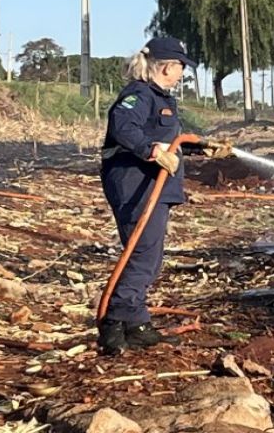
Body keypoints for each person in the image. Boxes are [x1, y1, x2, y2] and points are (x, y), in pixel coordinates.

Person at [97, 37, 232, 355]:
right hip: (136, 184)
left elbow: (171, 139)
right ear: (168, 66)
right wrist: (152, 152)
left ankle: (136, 322)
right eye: (181, 66)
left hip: (152, 186)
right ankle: (114, 323)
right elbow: (123, 127)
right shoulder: (139, 94)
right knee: (142, 255)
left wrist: (202, 147)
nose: (183, 72)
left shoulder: (159, 98)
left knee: (150, 257)